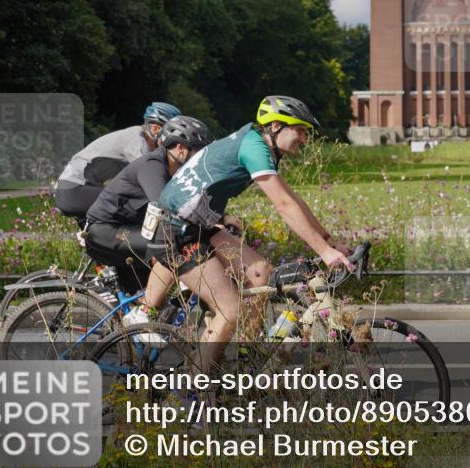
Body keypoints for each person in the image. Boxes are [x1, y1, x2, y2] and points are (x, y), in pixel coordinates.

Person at [144, 95, 354, 371]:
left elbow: (293, 199)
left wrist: (328, 242)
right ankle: (192, 386)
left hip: (198, 226)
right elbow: (283, 205)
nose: (304, 139)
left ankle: (247, 354)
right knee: (230, 311)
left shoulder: (259, 145)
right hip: (175, 230)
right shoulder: (253, 147)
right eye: (300, 130)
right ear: (276, 126)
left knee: (259, 271)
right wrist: (325, 253)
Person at [83, 116, 213, 298]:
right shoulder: (152, 165)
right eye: (198, 151)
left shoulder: (177, 170)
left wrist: (221, 218)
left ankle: (148, 308)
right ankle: (146, 310)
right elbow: (167, 205)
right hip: (105, 230)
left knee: (147, 292)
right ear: (181, 149)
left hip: (130, 228)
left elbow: (194, 200)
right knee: (169, 247)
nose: (201, 157)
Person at [55, 102, 181, 223]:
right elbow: (152, 176)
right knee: (136, 205)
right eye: (170, 137)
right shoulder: (137, 141)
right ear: (155, 129)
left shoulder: (137, 137)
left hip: (76, 188)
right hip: (74, 189)